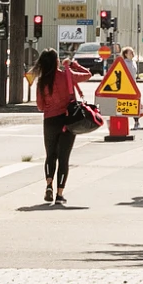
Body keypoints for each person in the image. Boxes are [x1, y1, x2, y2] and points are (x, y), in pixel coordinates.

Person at [33, 48, 92, 206]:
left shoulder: (42, 81)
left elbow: (40, 106)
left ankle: (48, 184)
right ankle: (59, 194)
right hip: (67, 120)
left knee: (50, 155)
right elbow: (88, 74)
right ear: (56, 61)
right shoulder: (67, 75)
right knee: (64, 158)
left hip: (50, 121)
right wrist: (73, 64)